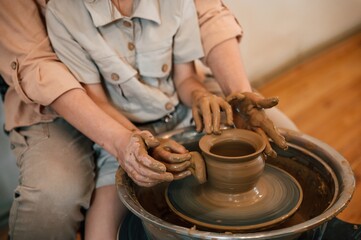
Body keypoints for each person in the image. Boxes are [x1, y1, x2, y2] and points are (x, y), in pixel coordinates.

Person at [0, 0, 294, 239]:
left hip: (179, 112)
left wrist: (203, 97)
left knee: (288, 149)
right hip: (117, 129)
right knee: (97, 230)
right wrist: (132, 142)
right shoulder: (64, 12)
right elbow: (96, 100)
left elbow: (187, 79)